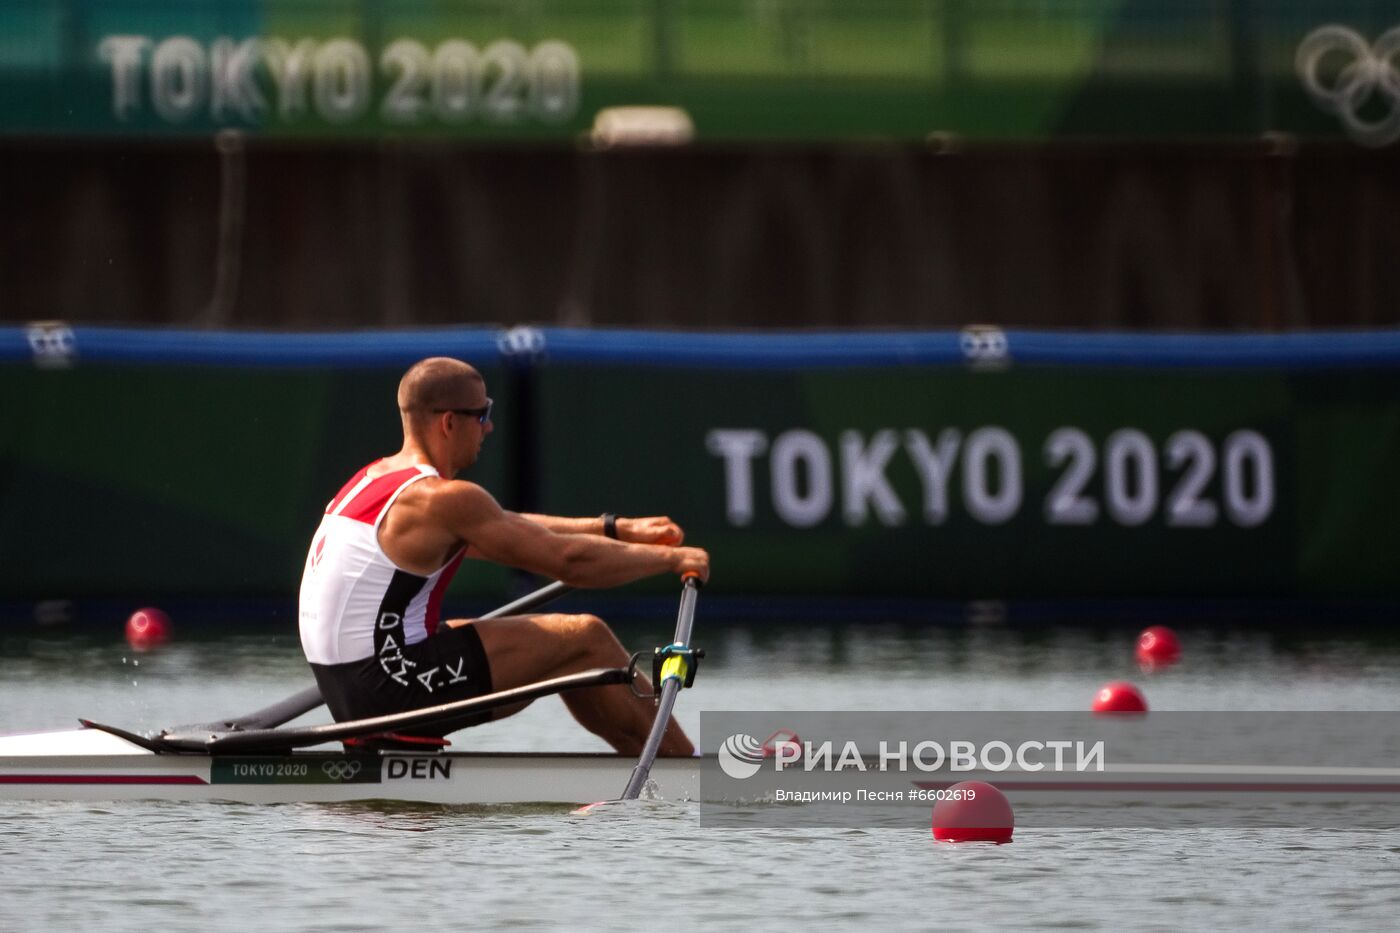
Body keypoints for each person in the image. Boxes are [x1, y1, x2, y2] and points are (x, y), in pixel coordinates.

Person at [298, 357, 708, 756]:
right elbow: (569, 563)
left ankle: (654, 763)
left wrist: (613, 529)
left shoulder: (376, 479)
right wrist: (672, 562)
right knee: (585, 638)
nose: (489, 427)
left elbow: (505, 523)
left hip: (350, 687)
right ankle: (685, 771)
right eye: (482, 414)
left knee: (538, 642)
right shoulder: (444, 499)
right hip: (388, 687)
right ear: (449, 422)